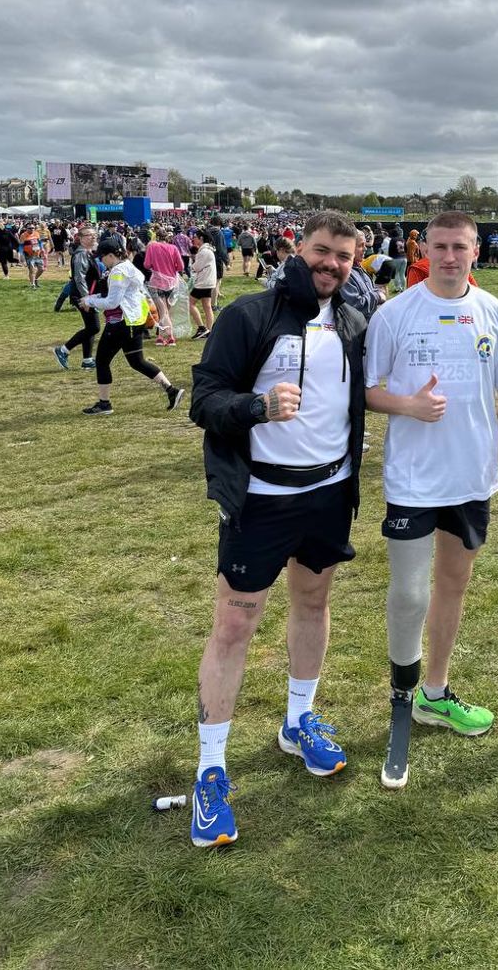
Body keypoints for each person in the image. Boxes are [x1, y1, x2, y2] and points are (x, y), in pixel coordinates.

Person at [187, 211, 367, 847]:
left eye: (343, 257)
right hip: (261, 500)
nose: (331, 265)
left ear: (353, 262)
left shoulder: (352, 321)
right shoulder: (249, 314)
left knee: (313, 604)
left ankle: (299, 722)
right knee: (234, 624)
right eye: (322, 252)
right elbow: (202, 398)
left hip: (326, 495)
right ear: (299, 249)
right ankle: (212, 767)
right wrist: (255, 408)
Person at [364, 211, 498, 790]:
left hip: (471, 480)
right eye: (441, 246)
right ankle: (401, 698)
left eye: (460, 246)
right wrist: (407, 406)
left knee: (453, 587)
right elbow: (368, 391)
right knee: (409, 591)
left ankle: (435, 691)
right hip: (413, 480)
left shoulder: (495, 314)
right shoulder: (396, 313)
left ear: (477, 251)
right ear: (423, 249)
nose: (451, 256)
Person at [78, 237, 184, 416]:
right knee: (137, 362)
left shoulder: (118, 271)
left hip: (121, 323)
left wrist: (90, 300)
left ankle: (105, 404)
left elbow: (112, 302)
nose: (100, 261)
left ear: (111, 256)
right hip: (135, 321)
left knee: (102, 361)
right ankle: (171, 390)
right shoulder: (129, 267)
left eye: (102, 257)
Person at [52, 226, 100, 370]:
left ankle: (87, 360)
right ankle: (63, 350)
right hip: (82, 295)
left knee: (90, 327)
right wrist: (86, 298)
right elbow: (79, 278)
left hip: (89, 295)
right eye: (89, 235)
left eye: (94, 235)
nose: (93, 237)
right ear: (80, 237)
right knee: (94, 327)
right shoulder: (81, 254)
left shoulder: (88, 252)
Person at [144, 232, 185, 347]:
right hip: (171, 282)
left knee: (163, 312)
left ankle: (166, 336)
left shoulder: (152, 247)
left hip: (157, 282)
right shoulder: (173, 248)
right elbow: (181, 267)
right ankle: (165, 336)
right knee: (166, 311)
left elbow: (147, 265)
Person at [189, 229, 217, 339]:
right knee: (207, 306)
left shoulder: (203, 251)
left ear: (201, 238)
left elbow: (196, 267)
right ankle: (209, 330)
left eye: (195, 237)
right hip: (209, 282)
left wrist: (192, 263)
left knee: (190, 303)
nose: (193, 239)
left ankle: (202, 328)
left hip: (203, 282)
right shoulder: (208, 250)